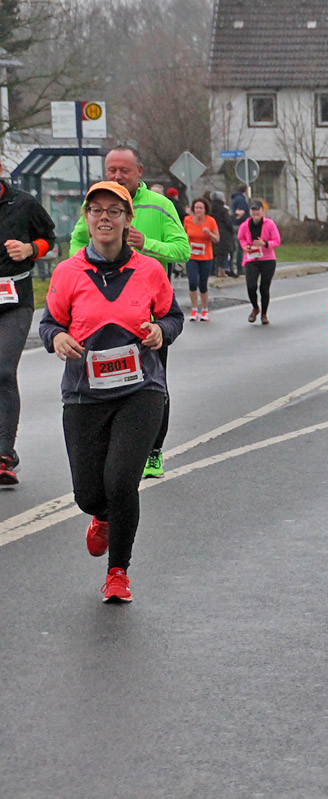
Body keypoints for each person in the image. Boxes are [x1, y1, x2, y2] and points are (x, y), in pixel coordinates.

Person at [40, 181, 184, 602]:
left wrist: (161, 331)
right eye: (97, 210)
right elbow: (49, 324)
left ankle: (118, 572)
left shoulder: (149, 270)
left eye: (114, 211)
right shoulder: (68, 272)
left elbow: (173, 317)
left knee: (121, 482)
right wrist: (57, 338)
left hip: (140, 390)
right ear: (86, 219)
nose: (105, 218)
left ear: (127, 219)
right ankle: (101, 516)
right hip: (84, 394)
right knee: (89, 493)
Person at [69, 145, 189, 480]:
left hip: (148, 315)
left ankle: (153, 450)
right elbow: (76, 242)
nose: (117, 176)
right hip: (100, 309)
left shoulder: (160, 205)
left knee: (154, 384)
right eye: (111, 170)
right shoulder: (96, 206)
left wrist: (147, 243)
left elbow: (183, 250)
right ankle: (115, 444)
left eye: (124, 170)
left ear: (139, 172)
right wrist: (82, 270)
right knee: (102, 379)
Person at [0, 172, 56, 485]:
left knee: (3, 371)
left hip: (14, 301)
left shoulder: (23, 203)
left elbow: (49, 238)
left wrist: (30, 249)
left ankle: (4, 455)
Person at [238, 200, 281, 324]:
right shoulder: (245, 225)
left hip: (267, 259)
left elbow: (277, 241)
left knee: (264, 288)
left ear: (263, 211)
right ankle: (255, 308)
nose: (255, 213)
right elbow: (241, 238)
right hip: (251, 259)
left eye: (258, 210)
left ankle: (264, 314)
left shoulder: (269, 224)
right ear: (250, 212)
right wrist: (245, 246)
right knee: (251, 286)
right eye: (253, 210)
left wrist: (265, 243)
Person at [183, 198, 220, 322]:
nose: (198, 210)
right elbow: (183, 235)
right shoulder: (187, 220)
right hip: (192, 256)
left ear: (205, 209)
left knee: (203, 284)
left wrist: (209, 233)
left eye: (201, 208)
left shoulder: (210, 221)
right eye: (196, 208)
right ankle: (194, 309)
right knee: (192, 282)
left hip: (206, 257)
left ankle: (205, 310)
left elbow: (217, 239)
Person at [208, 194, 236, 278]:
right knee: (224, 254)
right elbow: (228, 223)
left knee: (213, 254)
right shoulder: (223, 210)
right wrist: (233, 229)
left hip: (212, 233)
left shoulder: (209, 210)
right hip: (224, 235)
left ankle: (212, 271)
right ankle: (223, 271)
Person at [230, 184, 249, 275]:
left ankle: (239, 266)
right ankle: (240, 267)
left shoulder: (234, 199)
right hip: (241, 225)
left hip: (236, 224)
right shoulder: (241, 200)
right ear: (245, 190)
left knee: (238, 247)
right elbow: (241, 212)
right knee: (241, 247)